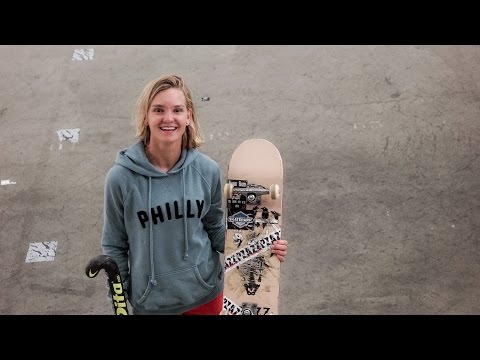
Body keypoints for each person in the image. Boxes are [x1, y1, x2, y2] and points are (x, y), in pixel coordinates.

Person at [101, 74, 288, 315]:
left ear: (188, 116)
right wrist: (119, 297)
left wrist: (261, 246)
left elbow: (214, 229)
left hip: (205, 296)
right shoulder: (121, 179)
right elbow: (114, 244)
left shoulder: (206, 170)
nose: (168, 118)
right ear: (146, 116)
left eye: (177, 110)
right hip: (152, 304)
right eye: (159, 110)